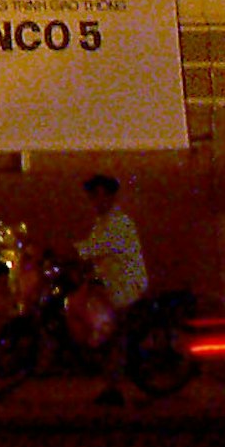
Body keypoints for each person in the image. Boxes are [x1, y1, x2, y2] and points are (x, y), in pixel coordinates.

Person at [75, 172, 148, 403]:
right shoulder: (102, 223)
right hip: (108, 285)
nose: (95, 201)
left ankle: (114, 389)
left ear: (109, 196)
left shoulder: (118, 224)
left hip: (124, 287)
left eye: (99, 196)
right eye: (92, 196)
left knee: (113, 334)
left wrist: (67, 253)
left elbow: (91, 249)